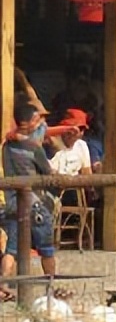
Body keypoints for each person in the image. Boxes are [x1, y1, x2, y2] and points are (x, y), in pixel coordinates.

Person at [1, 103, 59, 291]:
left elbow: (40, 128)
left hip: (12, 203)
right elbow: (47, 172)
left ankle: (2, 285)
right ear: (26, 123)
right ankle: (51, 287)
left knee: (11, 250)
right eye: (35, 119)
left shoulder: (7, 146)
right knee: (47, 249)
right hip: (34, 204)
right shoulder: (33, 148)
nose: (39, 123)